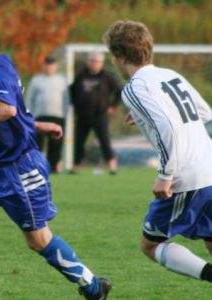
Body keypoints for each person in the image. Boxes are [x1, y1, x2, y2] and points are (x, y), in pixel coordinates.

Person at [0, 20, 112, 300]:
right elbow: (15, 111)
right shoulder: (0, 66)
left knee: (38, 240)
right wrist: (40, 126)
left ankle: (93, 287)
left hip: (17, 169)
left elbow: (6, 108)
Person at [103, 20, 212, 284]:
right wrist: (144, 115)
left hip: (185, 178)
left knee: (150, 245)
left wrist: (165, 174)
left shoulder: (134, 87)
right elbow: (205, 113)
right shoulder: (170, 75)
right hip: (209, 168)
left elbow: (167, 127)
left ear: (118, 57)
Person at [70, 51, 122, 175]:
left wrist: (112, 106)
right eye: (92, 61)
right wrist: (76, 105)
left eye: (96, 61)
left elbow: (119, 92)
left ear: (101, 63)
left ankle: (112, 166)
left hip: (100, 115)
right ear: (88, 62)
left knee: (104, 141)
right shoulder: (81, 76)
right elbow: (72, 91)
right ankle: (76, 167)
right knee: (79, 142)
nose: (94, 64)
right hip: (83, 115)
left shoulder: (107, 77)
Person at [25, 55, 70, 173]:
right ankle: (37, 167)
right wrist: (29, 115)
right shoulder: (36, 80)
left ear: (56, 66)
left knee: (56, 145)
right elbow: (30, 99)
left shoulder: (62, 80)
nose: (49, 68)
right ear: (43, 66)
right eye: (47, 65)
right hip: (40, 116)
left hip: (57, 116)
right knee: (37, 144)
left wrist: (65, 115)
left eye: (52, 65)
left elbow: (66, 100)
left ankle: (53, 167)